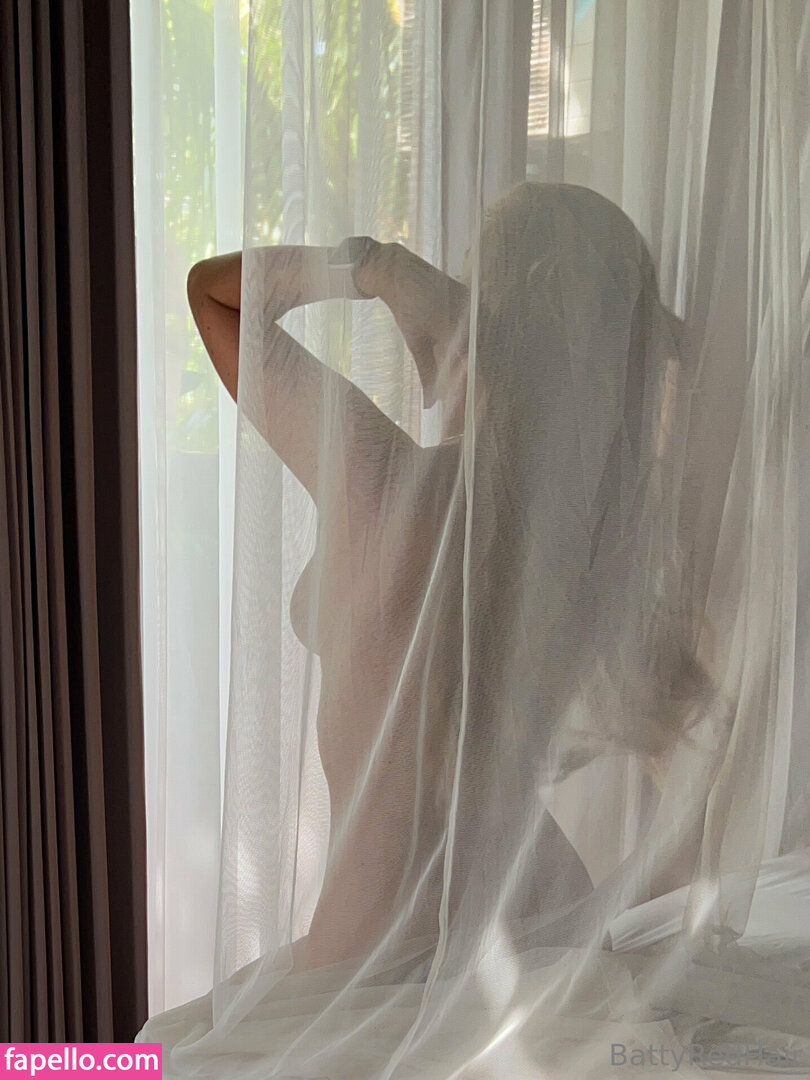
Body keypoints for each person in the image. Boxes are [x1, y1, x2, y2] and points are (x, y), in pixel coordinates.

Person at [186, 181, 715, 981]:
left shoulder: (376, 476)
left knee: (44, 1052)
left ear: (477, 316)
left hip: (372, 975)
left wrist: (378, 270)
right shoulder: (590, 538)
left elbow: (215, 296)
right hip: (540, 937)